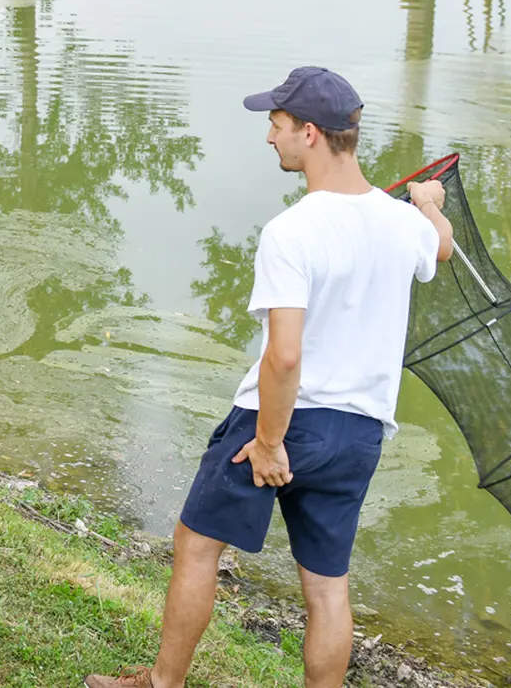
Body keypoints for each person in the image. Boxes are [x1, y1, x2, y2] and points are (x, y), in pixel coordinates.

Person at [83, 67, 454, 688]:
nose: (269, 139)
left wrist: (270, 441)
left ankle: (162, 684)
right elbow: (439, 248)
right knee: (327, 588)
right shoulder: (403, 226)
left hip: (280, 422)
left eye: (276, 127)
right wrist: (430, 206)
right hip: (359, 433)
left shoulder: (292, 231)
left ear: (310, 134)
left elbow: (284, 357)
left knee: (197, 548)